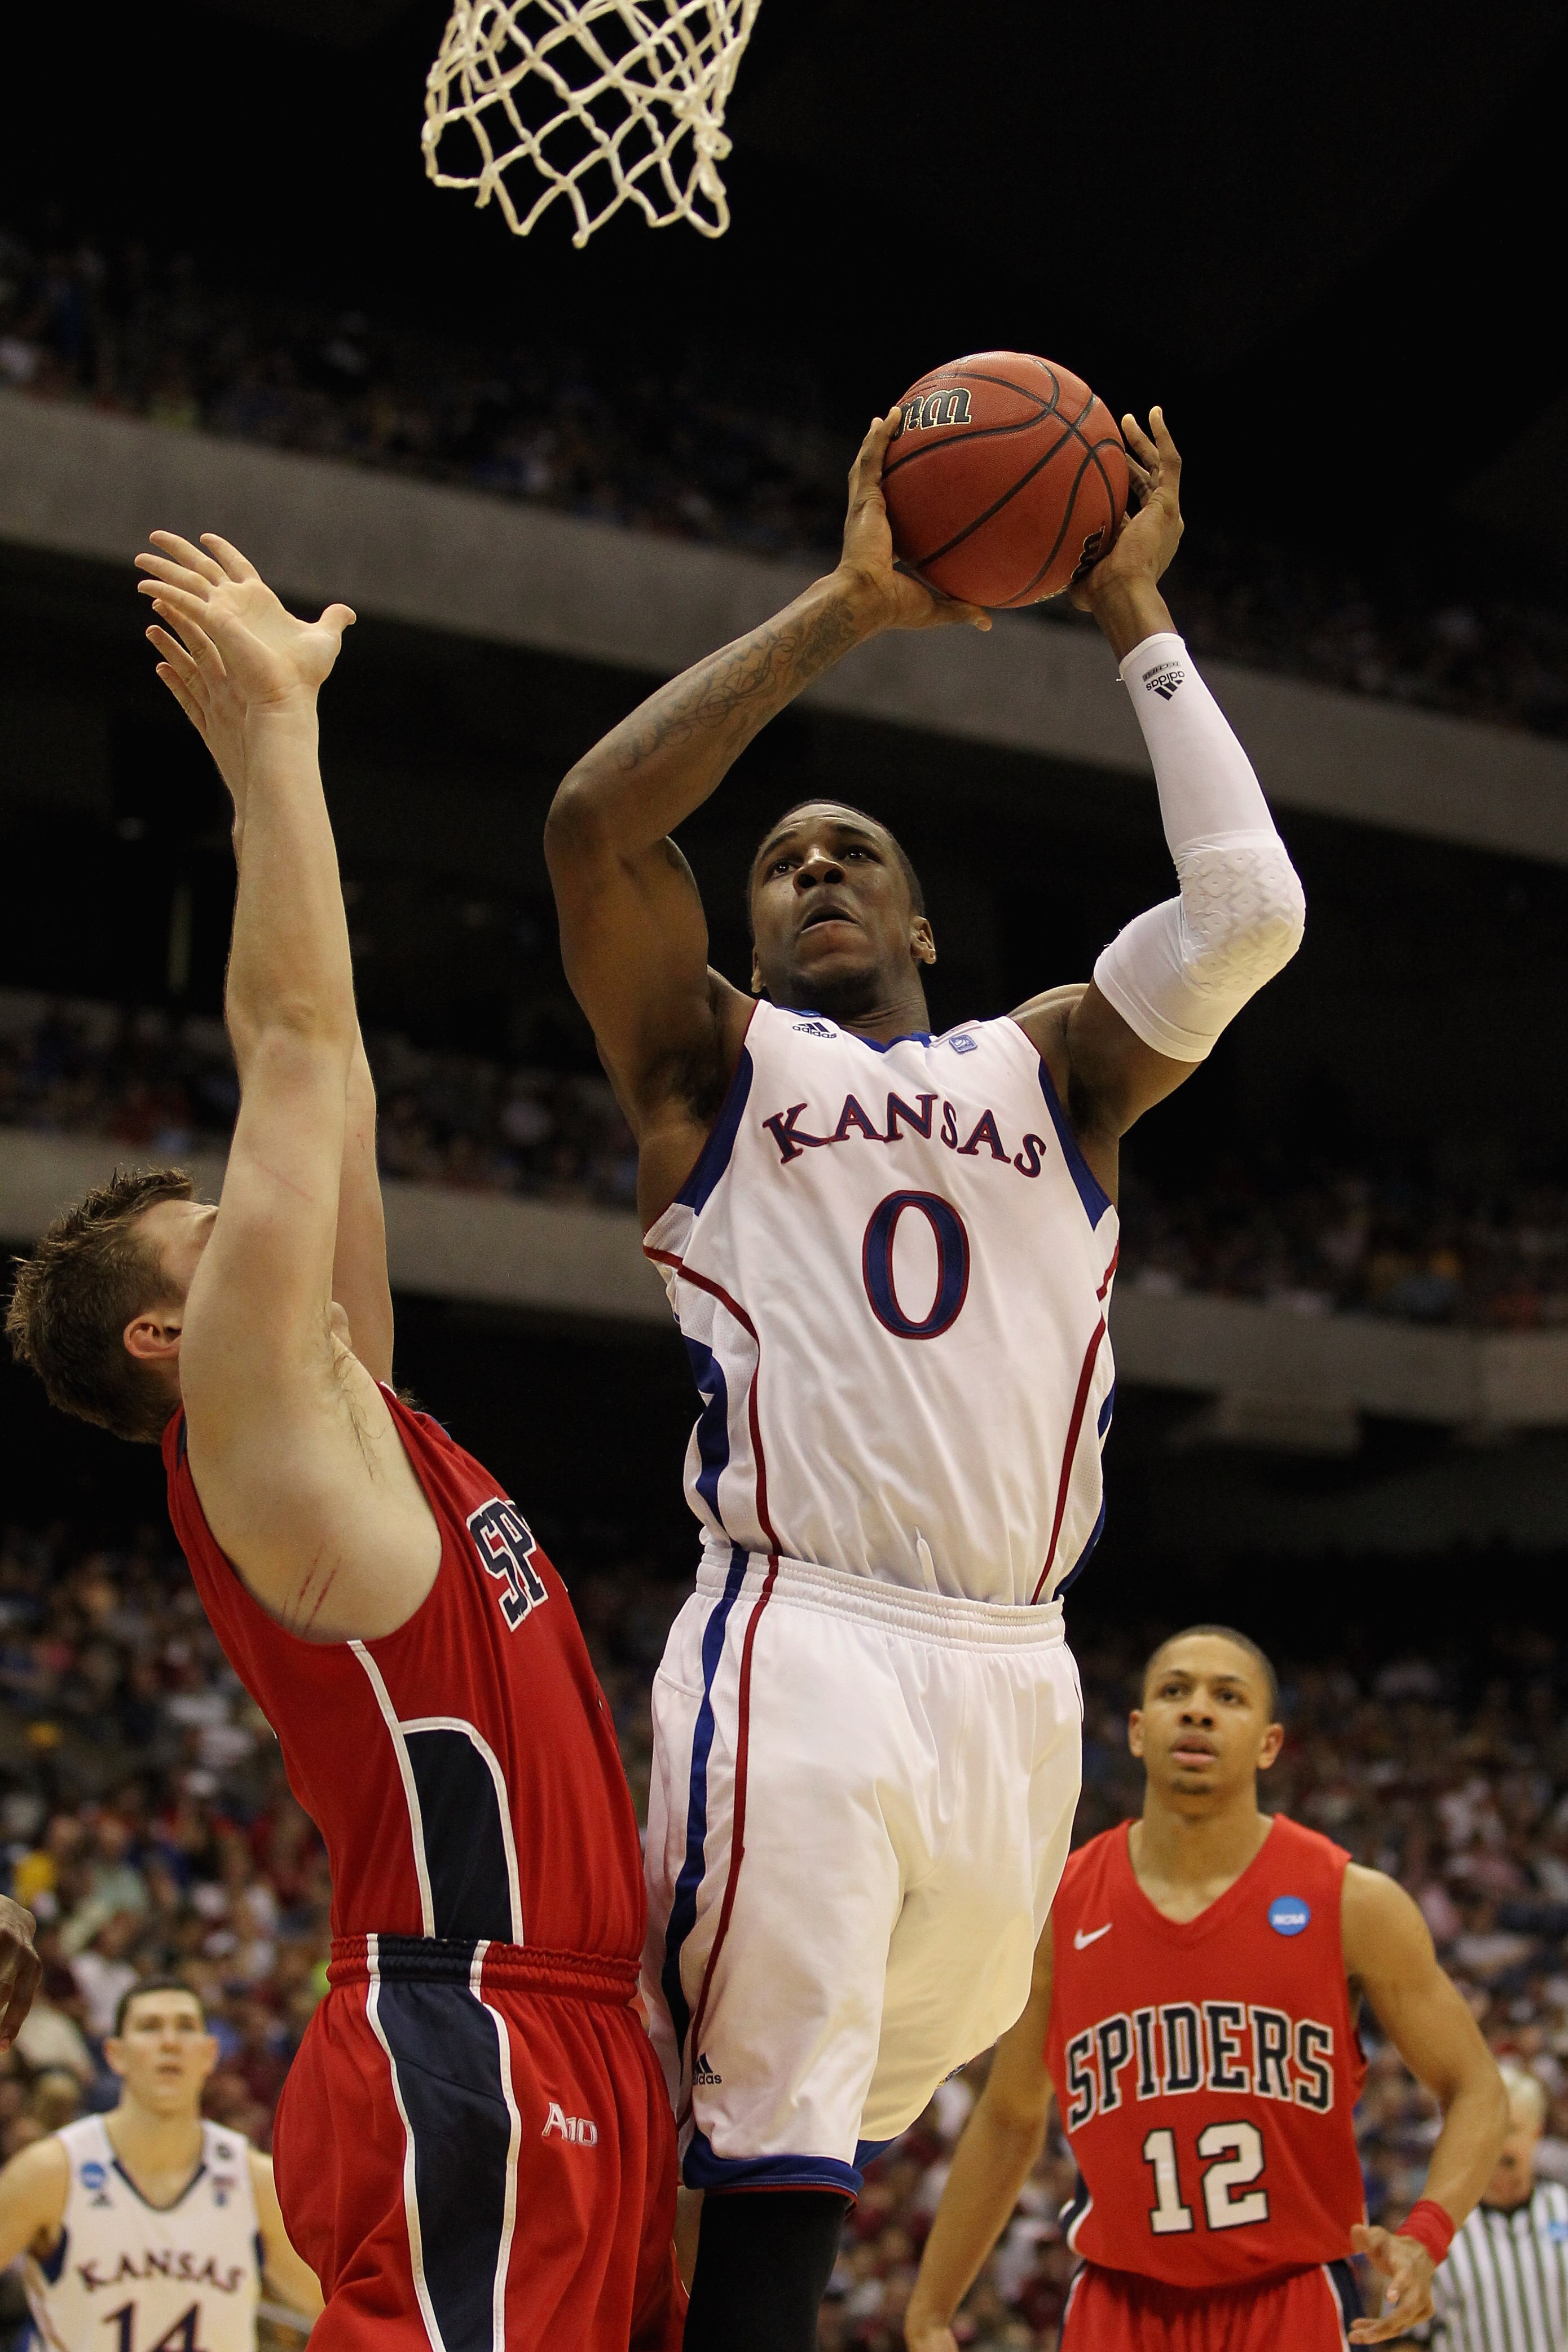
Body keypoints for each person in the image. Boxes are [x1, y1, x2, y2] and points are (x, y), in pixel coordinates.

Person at [544, 403, 1307, 2345]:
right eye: (784, 858)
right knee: (773, 2123)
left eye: (851, 852)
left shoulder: (1050, 1066)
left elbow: (1251, 915)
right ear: (751, 926)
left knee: (832, 2116)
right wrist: (848, 606)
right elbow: (588, 830)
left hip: (1020, 1665)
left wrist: (1134, 608)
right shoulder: (711, 1070)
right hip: (802, 1632)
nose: (810, 866)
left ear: (920, 923)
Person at [6, 537, 682, 2351]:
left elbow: (344, 1068)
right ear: (170, 1337)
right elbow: (287, 1045)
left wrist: (254, 788)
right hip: (457, 2029)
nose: (267, 1225)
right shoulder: (256, 1434)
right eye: (221, 1234)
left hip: (572, 2032)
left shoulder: (358, 1415)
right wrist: (280, 736)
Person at [904, 1624, 1509, 2351]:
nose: (1197, 1710)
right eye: (1173, 1691)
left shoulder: (1352, 1902)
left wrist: (1425, 2235)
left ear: (1268, 1743)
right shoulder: (1057, 1906)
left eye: (1227, 1696)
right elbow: (1008, 2119)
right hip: (1116, 2301)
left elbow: (1475, 2086)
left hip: (1290, 2298)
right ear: (1135, 1731)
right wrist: (932, 2310)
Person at [0, 1977, 320, 2349]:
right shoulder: (52, 2172)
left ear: (209, 2053)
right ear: (114, 2054)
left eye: (185, 2027)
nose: (170, 2042)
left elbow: (328, 2303)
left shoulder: (255, 2181)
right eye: (150, 2027)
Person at [1428, 2060, 1568, 2348]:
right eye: (1489, 2133)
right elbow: (1407, 2339)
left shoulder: (1563, 2208)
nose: (1500, 2147)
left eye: (1512, 2130)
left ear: (1537, 2132)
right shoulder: (1436, 2228)